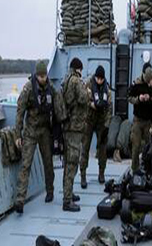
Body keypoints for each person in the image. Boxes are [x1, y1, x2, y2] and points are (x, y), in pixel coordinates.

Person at [14, 60, 63, 214]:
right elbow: (20, 111)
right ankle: (20, 200)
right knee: (26, 164)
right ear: (36, 75)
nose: (43, 78)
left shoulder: (51, 88)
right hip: (31, 131)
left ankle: (50, 191)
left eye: (44, 76)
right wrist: (17, 134)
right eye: (40, 76)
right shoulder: (29, 88)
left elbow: (58, 105)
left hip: (45, 131)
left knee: (48, 163)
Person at [61, 57, 88, 212]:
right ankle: (67, 201)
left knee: (68, 162)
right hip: (74, 128)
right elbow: (83, 99)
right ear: (79, 68)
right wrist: (88, 92)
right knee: (72, 163)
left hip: (67, 127)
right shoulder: (76, 81)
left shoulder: (66, 79)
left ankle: (69, 193)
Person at [80, 65, 111, 188]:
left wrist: (106, 126)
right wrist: (90, 104)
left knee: (102, 149)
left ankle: (101, 173)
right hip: (88, 120)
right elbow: (82, 100)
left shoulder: (106, 89)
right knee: (85, 147)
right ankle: (83, 175)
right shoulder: (87, 85)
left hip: (101, 121)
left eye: (101, 79)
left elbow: (109, 108)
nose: (99, 81)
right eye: (97, 78)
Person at [128, 63, 152, 173]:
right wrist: (139, 99)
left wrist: (150, 98)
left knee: (149, 147)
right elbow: (129, 98)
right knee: (136, 146)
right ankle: (135, 169)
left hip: (148, 121)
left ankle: (149, 169)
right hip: (138, 120)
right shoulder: (136, 84)